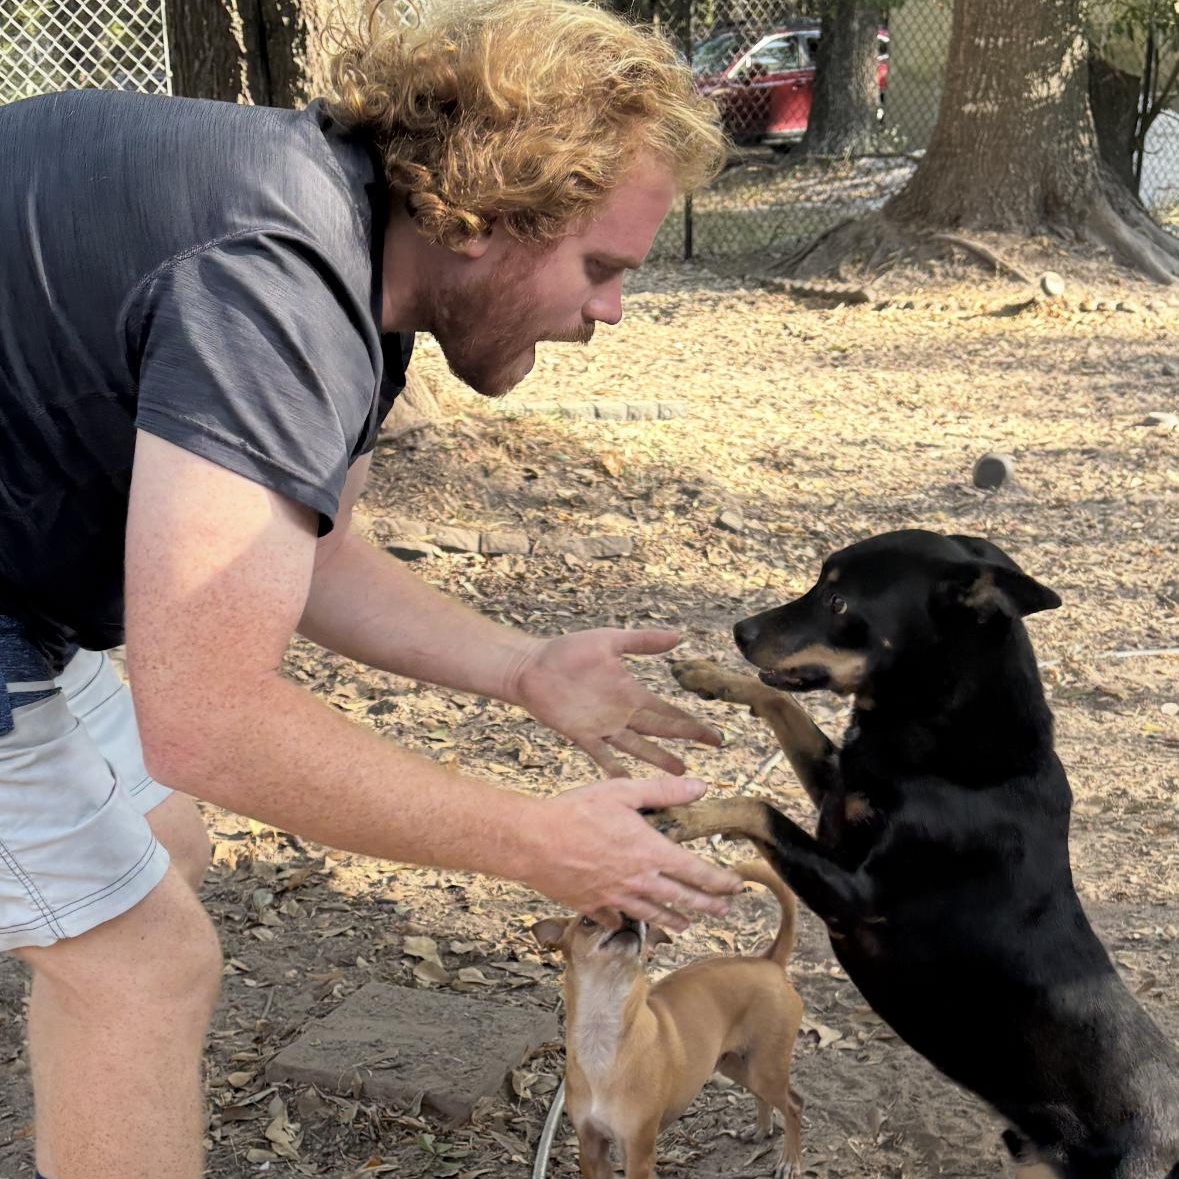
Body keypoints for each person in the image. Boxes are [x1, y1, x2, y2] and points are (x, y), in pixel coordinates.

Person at [0, 1, 740, 1176]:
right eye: (600, 267)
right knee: (139, 963)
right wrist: (538, 844)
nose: (608, 312)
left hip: (18, 574)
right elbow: (206, 718)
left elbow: (313, 552)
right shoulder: (275, 281)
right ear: (492, 216)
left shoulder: (346, 255)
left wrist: (520, 669)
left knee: (156, 841)